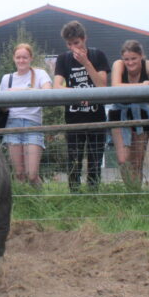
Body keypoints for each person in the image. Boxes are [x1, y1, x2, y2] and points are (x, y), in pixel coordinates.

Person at [53, 21, 111, 192]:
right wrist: (78, 96)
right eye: (69, 44)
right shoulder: (63, 59)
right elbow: (57, 86)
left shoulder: (97, 55)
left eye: (76, 43)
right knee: (74, 159)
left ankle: (93, 193)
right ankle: (75, 194)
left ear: (84, 39)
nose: (74, 48)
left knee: (95, 158)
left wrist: (86, 63)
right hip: (73, 118)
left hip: (96, 117)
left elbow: (102, 86)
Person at [108, 40, 149, 186]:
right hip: (119, 113)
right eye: (127, 59)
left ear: (141, 56)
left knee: (137, 160)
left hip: (141, 112)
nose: (130, 63)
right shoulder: (118, 65)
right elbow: (115, 85)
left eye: (134, 58)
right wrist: (143, 85)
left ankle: (136, 192)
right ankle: (130, 188)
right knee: (123, 159)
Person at [0, 43, 53, 188]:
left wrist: (18, 91)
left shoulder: (40, 74)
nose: (21, 60)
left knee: (32, 174)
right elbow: (1, 105)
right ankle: (24, 204)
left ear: (30, 59)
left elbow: (48, 93)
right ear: (14, 59)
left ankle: (41, 203)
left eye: (25, 57)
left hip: (32, 124)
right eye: (18, 57)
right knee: (19, 174)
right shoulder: (6, 78)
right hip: (12, 124)